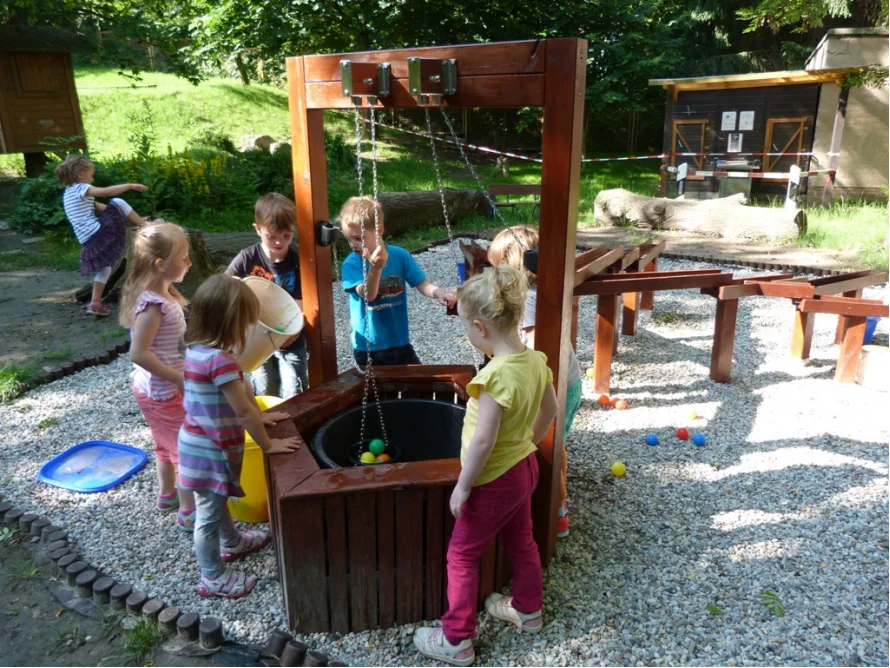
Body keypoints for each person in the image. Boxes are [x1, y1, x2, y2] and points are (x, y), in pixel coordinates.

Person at [414, 266, 558, 667]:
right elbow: (551, 410)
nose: (468, 334)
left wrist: (463, 485)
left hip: (493, 481)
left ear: (480, 327)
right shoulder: (535, 360)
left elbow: (483, 440)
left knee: (461, 555)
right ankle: (529, 611)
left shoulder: (494, 377)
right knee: (522, 541)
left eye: (467, 328)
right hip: (524, 468)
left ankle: (456, 640)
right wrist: (527, 441)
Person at [177, 274, 300, 598]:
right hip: (209, 451)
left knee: (218, 502)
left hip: (201, 442)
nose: (249, 329)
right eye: (246, 322)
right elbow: (243, 411)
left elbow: (244, 396)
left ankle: (232, 542)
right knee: (207, 516)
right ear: (229, 323)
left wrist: (261, 415)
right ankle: (212, 576)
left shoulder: (198, 350)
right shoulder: (220, 362)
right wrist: (268, 445)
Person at [488, 225, 583, 538]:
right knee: (555, 444)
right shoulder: (542, 290)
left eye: (497, 267)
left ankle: (556, 510)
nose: (494, 274)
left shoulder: (529, 300)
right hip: (568, 381)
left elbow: (535, 346)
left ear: (516, 266)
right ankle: (558, 501)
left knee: (544, 447)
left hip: (552, 386)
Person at [120, 223, 196, 531]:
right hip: (162, 391)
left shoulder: (163, 293)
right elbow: (138, 353)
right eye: (184, 257)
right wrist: (177, 378)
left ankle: (167, 496)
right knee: (185, 451)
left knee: (165, 444)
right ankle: (190, 513)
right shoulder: (153, 305)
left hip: (157, 389)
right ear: (161, 264)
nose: (189, 262)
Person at [339, 195, 454, 366]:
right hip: (370, 347)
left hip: (400, 341)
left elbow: (421, 282)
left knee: (419, 379)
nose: (353, 244)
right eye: (349, 239)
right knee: (382, 384)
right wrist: (375, 268)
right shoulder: (352, 264)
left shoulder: (400, 256)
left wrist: (438, 293)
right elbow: (368, 295)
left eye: (358, 238)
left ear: (379, 230)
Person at [225, 193, 308, 398]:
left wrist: (292, 333)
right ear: (257, 229)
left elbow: (300, 304)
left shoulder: (297, 262)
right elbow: (224, 286)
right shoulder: (247, 258)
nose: (279, 242)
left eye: (286, 235)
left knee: (295, 390)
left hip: (290, 339)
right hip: (256, 339)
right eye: (271, 236)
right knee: (264, 387)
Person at [55, 154, 156, 317]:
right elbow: (105, 192)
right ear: (81, 174)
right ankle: (147, 226)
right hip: (97, 232)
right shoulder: (81, 188)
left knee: (105, 269)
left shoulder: (69, 193)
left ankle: (95, 303)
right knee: (119, 202)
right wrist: (129, 185)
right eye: (91, 175)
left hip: (87, 239)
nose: (92, 178)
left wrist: (118, 214)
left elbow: (100, 206)